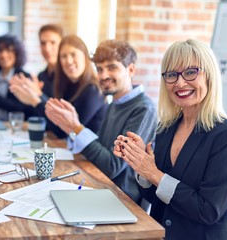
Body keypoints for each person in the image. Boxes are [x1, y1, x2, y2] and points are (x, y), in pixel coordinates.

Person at [114, 39, 227, 239]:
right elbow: (154, 197)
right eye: (172, 75)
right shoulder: (166, 128)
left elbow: (208, 210)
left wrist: (154, 173)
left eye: (191, 72)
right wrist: (142, 166)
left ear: (209, 76)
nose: (180, 83)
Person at [44, 39, 157, 208]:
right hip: (98, 187)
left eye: (112, 67)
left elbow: (112, 166)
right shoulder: (113, 104)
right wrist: (74, 127)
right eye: (99, 69)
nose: (103, 76)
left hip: (121, 201)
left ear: (131, 69)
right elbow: (101, 150)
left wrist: (75, 127)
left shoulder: (143, 109)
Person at [12, 34, 107, 138]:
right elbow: (52, 124)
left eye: (73, 54)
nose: (69, 61)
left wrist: (36, 99)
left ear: (85, 56)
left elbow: (65, 132)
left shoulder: (94, 90)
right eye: (64, 56)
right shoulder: (66, 86)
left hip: (87, 153)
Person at [8, 24, 63, 114]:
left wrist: (38, 94)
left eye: (53, 42)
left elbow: (60, 115)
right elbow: (34, 111)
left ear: (62, 44)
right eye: (43, 43)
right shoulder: (41, 76)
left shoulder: (66, 77)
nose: (47, 49)